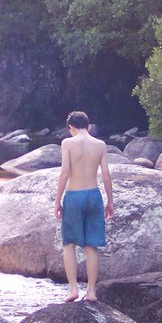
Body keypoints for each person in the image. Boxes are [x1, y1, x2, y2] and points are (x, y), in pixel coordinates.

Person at [54, 110, 114, 302]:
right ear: (89, 126)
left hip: (74, 195)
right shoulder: (100, 145)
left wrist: (57, 200)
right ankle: (91, 291)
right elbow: (106, 175)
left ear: (71, 127)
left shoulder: (68, 143)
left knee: (69, 243)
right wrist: (110, 201)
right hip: (93, 195)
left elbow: (64, 173)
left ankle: (73, 289)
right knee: (91, 245)